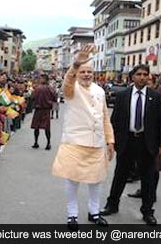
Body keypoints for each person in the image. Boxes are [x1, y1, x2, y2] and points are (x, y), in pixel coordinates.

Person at [52, 45, 115, 230]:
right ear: (78, 72)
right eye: (83, 71)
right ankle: (72, 215)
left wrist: (110, 140)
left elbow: (105, 117)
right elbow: (67, 81)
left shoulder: (100, 91)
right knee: (72, 180)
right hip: (74, 143)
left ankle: (94, 212)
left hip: (96, 144)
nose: (86, 74)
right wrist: (76, 63)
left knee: (96, 181)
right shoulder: (71, 89)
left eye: (89, 72)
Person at [100, 64, 161, 226]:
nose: (143, 77)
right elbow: (115, 120)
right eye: (139, 74)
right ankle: (112, 204)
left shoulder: (155, 97)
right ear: (132, 77)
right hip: (127, 141)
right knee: (120, 176)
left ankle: (147, 211)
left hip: (147, 143)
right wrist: (113, 141)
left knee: (148, 179)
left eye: (145, 74)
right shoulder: (123, 95)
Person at [30, 74, 56, 150]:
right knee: (47, 128)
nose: (40, 80)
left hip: (38, 110)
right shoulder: (50, 88)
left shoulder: (37, 88)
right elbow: (55, 98)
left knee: (36, 127)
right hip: (46, 110)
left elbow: (32, 97)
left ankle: (36, 142)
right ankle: (48, 143)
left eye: (41, 78)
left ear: (44, 79)